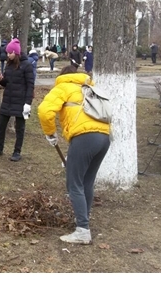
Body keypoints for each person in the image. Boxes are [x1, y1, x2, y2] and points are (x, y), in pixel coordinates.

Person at [37, 64, 111, 244]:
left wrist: (50, 133)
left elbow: (44, 111)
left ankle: (82, 231)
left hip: (84, 138)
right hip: (104, 137)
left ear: (62, 76)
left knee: (74, 184)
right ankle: (83, 219)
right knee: (87, 181)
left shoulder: (62, 87)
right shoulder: (88, 87)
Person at [0, 38, 35, 162]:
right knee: (1, 125)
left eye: (10, 53)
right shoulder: (9, 65)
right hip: (8, 100)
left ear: (16, 52)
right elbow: (7, 83)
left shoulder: (27, 65)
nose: (7, 55)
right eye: (7, 53)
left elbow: (30, 85)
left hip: (21, 101)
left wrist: (28, 103)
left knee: (20, 128)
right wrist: (0, 79)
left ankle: (17, 151)